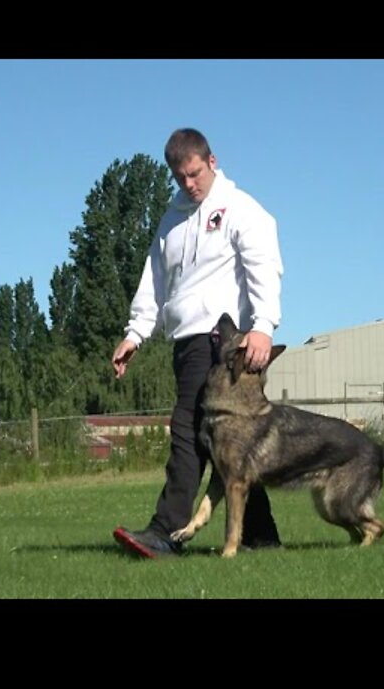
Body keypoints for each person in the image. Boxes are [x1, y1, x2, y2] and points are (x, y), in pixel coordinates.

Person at [111, 128, 284, 558]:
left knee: (188, 433)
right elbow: (154, 280)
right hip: (185, 343)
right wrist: (136, 332)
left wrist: (263, 324)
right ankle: (261, 538)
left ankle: (164, 532)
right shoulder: (171, 219)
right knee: (229, 443)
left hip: (221, 343)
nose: (189, 184)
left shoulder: (241, 209)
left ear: (212, 161)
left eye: (194, 173)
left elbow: (264, 264)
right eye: (179, 177)